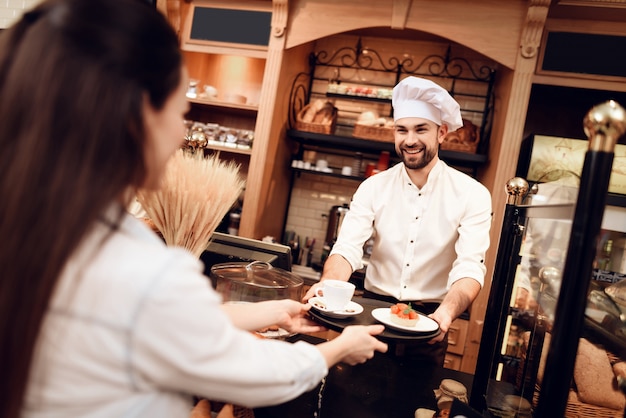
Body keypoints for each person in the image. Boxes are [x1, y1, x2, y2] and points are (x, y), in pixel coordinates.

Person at [0, 1, 388, 417]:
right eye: (180, 110)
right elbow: (247, 371)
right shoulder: (139, 266)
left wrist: (274, 312)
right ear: (138, 117)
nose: (183, 132)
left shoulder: (34, 227)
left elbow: (166, 326)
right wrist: (338, 348)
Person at [304, 76, 493, 365]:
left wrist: (445, 313)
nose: (409, 140)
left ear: (441, 132)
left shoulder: (472, 194)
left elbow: (470, 266)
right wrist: (328, 284)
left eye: (421, 129)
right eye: (401, 130)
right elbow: (347, 248)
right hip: (370, 320)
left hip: (428, 324)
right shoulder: (373, 187)